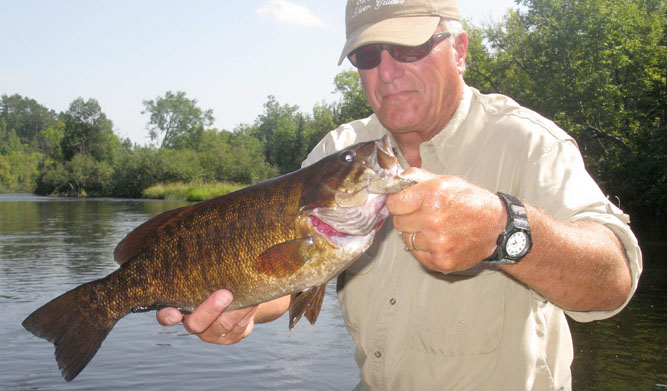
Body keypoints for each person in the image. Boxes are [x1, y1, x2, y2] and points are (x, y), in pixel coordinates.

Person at [157, 0, 642, 389]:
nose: (387, 72)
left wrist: (505, 229)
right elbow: (289, 280)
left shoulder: (527, 143)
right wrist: (239, 309)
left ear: (460, 49)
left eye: (409, 48)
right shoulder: (339, 153)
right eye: (369, 56)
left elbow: (614, 279)